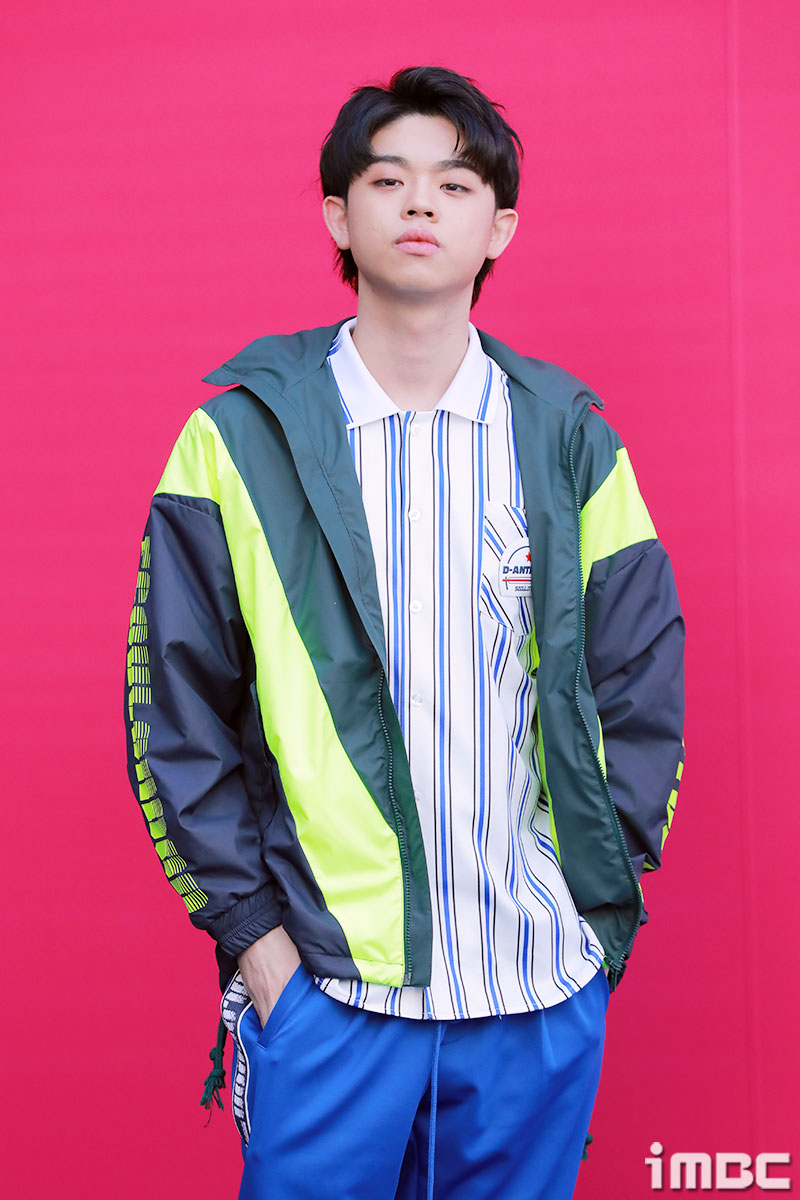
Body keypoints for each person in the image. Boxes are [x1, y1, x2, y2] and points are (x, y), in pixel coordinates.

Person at [125, 66, 685, 1200]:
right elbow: (174, 710)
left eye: (454, 183)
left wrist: (592, 924)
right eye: (387, 181)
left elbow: (642, 684)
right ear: (340, 216)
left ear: (498, 227)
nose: (420, 203)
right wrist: (255, 944)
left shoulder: (569, 441)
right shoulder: (238, 439)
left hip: (535, 985)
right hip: (330, 990)